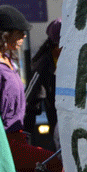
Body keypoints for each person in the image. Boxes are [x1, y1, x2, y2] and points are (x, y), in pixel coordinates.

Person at [0, 4, 58, 172]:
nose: (24, 36)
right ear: (4, 35)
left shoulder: (9, 62)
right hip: (4, 144)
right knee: (57, 165)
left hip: (18, 139)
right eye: (20, 32)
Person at [24, 19, 62, 148]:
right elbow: (30, 101)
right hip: (59, 127)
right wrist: (25, 135)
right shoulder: (44, 65)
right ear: (54, 45)